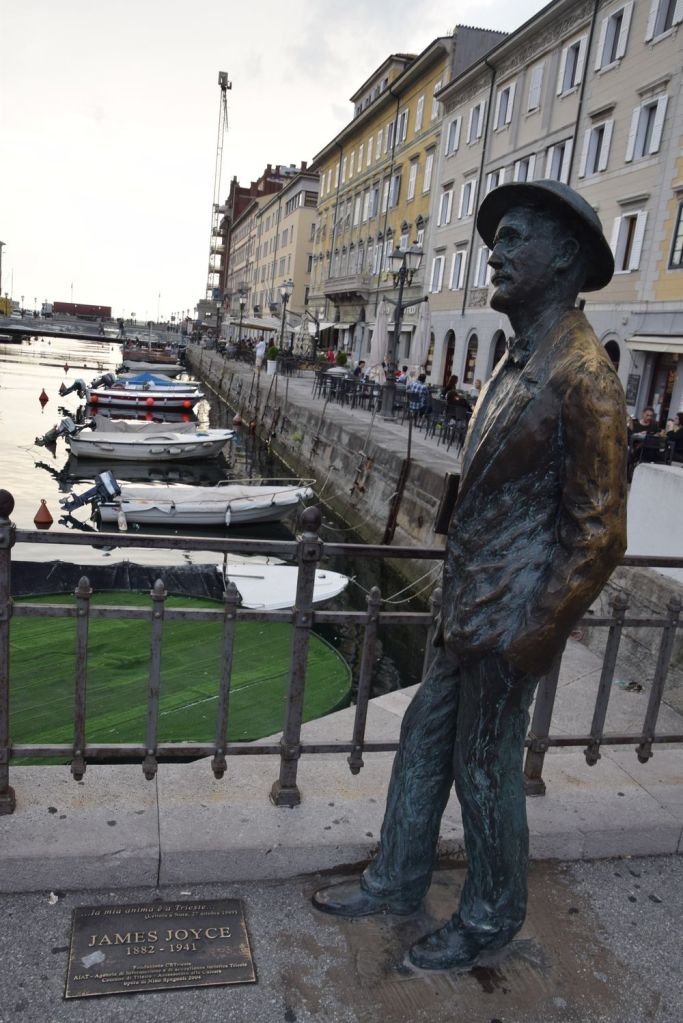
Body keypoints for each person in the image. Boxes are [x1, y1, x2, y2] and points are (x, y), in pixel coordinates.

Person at [313, 180, 627, 970]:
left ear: (563, 259)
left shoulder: (583, 373)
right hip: (470, 604)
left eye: (516, 237)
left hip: (511, 614)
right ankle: (396, 877)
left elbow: (598, 531)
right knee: (424, 737)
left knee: (484, 767)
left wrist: (536, 628)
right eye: (500, 236)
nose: (497, 250)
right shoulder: (519, 358)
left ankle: (489, 918)